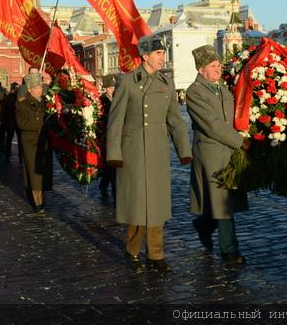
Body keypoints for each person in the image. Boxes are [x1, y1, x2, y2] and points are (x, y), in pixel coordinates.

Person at [106, 33, 192, 272]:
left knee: (157, 204)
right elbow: (115, 121)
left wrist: (184, 150)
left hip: (157, 150)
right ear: (145, 56)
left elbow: (175, 120)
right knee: (137, 202)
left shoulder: (167, 83)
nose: (163, 57)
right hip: (132, 150)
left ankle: (156, 255)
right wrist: (114, 153)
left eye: (163, 53)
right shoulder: (127, 81)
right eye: (158, 53)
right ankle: (132, 250)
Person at [186, 45, 251, 265]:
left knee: (225, 199)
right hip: (211, 153)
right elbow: (212, 125)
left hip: (229, 151)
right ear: (201, 69)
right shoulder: (194, 92)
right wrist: (241, 142)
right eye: (213, 66)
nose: (218, 69)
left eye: (219, 65)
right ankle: (229, 250)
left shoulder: (222, 88)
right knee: (222, 201)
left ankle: (204, 225)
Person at [16, 73, 53, 215]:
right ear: (30, 89)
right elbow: (22, 123)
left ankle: (42, 196)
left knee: (44, 170)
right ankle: (38, 202)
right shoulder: (22, 103)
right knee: (34, 171)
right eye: (36, 88)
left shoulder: (46, 102)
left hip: (44, 141)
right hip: (30, 141)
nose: (39, 90)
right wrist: (41, 125)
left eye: (40, 87)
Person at [97, 74, 117, 198]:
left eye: (113, 87)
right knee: (109, 164)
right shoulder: (102, 100)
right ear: (106, 88)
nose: (112, 90)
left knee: (111, 165)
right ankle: (105, 185)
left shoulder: (117, 98)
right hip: (106, 135)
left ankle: (104, 185)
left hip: (115, 134)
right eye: (110, 88)